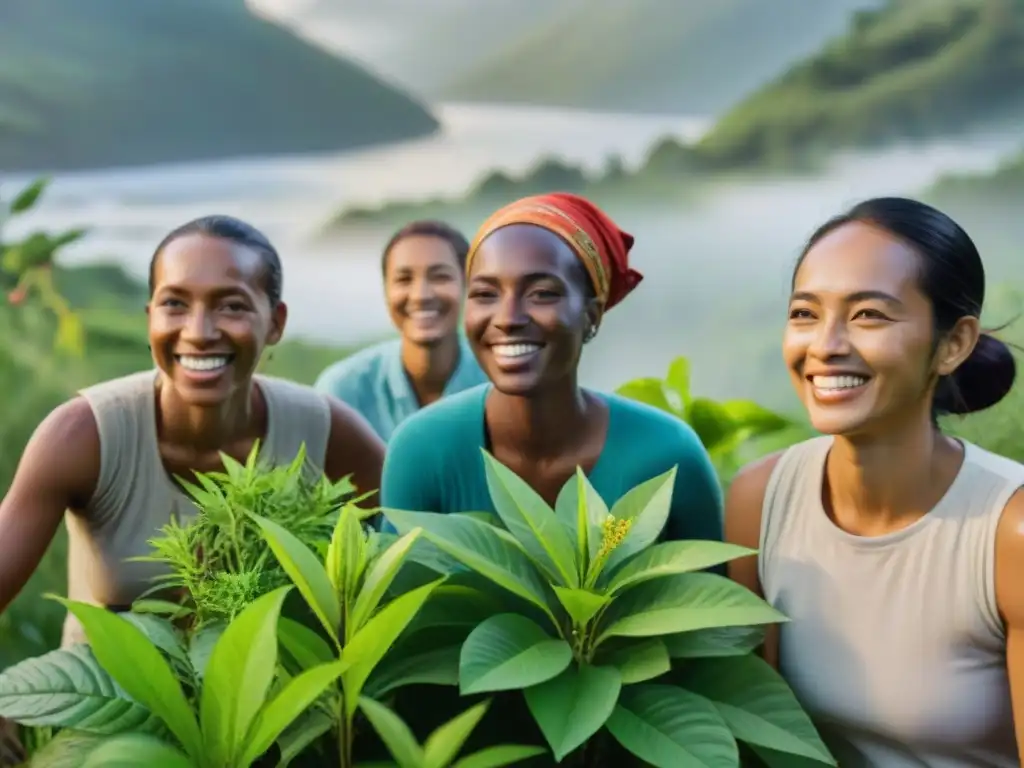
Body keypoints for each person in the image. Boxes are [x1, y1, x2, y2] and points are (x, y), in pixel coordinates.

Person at [725, 197, 1023, 767]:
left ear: (954, 343)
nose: (825, 346)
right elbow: (755, 733)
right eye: (805, 314)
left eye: (869, 315)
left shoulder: (1008, 531)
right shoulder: (760, 501)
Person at [0, 215, 385, 648]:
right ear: (150, 319)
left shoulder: (325, 433)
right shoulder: (83, 435)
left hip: (268, 710)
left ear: (275, 322)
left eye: (232, 306)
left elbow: (400, 565)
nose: (199, 332)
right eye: (175, 304)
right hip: (105, 704)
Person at [379, 193, 723, 545]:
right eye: (485, 294)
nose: (508, 318)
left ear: (591, 314)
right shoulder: (422, 450)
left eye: (542, 293)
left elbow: (713, 598)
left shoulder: (668, 456)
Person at [315, 220, 487, 442]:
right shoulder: (343, 391)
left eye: (440, 276)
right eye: (404, 279)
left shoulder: (497, 382)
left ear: (468, 285)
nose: (420, 295)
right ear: (386, 290)